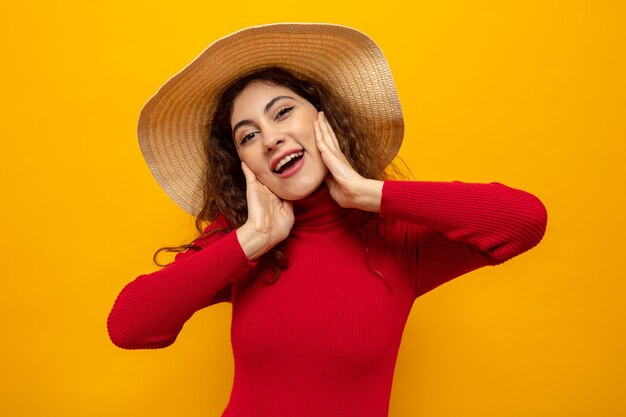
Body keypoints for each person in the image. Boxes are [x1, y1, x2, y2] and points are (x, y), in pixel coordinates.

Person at [107, 23, 547, 417]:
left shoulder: (397, 239)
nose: (271, 138)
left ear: (325, 120)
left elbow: (524, 221)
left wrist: (366, 193)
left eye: (282, 112)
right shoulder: (241, 243)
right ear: (243, 164)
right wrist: (253, 238)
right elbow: (129, 326)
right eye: (248, 135)